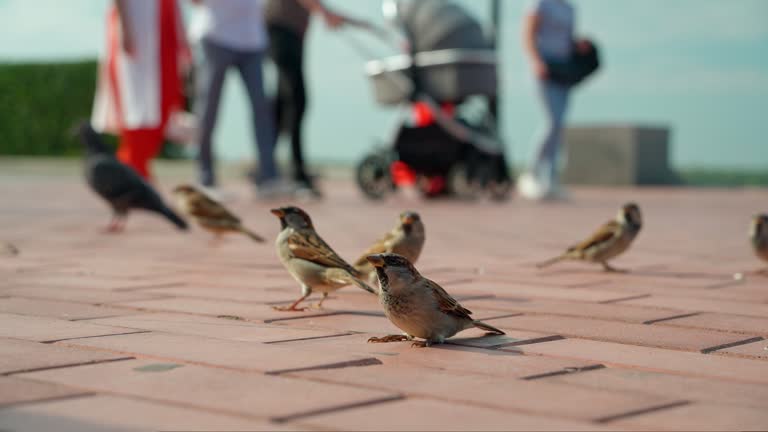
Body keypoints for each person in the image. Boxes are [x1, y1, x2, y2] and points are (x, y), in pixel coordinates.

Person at [189, 0, 288, 198]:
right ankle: (205, 177)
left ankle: (268, 178)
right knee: (208, 108)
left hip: (253, 40)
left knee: (262, 109)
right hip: (215, 36)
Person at [91, 0, 190, 180]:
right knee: (135, 104)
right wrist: (125, 28)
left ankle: (137, 167)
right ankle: (133, 167)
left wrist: (182, 37)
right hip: (139, 28)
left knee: (164, 104)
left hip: (163, 26)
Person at [264, 0, 346, 197]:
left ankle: (266, 168)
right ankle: (296, 173)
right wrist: (326, 13)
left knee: (284, 102)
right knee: (296, 99)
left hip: (289, 32)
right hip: (281, 29)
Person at [518, 0, 588, 200]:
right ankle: (531, 173)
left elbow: (566, 39)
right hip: (545, 69)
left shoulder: (569, 8)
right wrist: (536, 60)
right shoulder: (540, 4)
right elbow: (528, 32)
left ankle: (550, 178)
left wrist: (579, 46)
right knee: (551, 122)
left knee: (560, 125)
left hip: (564, 71)